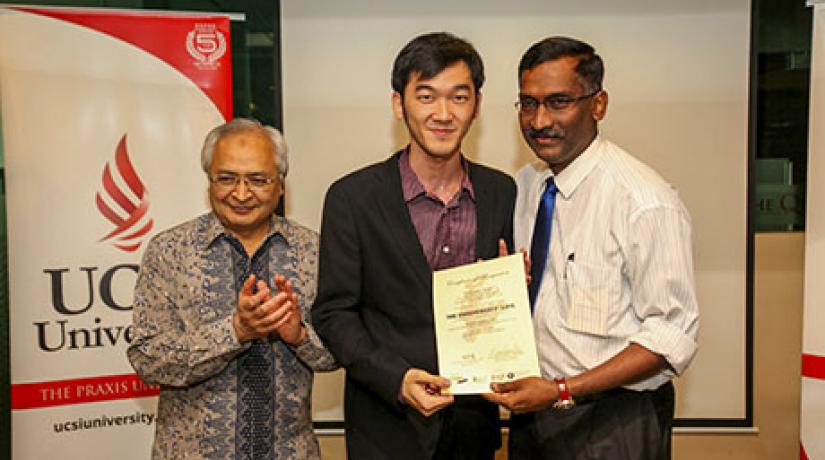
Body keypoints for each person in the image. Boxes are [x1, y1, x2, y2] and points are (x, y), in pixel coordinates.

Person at [484, 37, 700, 459]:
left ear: (598, 105)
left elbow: (671, 335)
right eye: (528, 104)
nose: (539, 120)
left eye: (558, 101)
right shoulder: (529, 186)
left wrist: (563, 391)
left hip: (614, 419)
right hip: (536, 412)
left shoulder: (643, 201)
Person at [311, 32, 515, 460]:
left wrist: (518, 289)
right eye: (426, 96)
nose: (443, 113)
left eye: (458, 97)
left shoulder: (502, 191)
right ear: (398, 104)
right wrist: (397, 378)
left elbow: (507, 308)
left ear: (476, 105)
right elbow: (333, 313)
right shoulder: (352, 198)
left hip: (473, 429)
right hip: (386, 430)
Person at [127, 118, 336, 460]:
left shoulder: (314, 251)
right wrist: (235, 331)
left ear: (280, 185)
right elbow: (148, 360)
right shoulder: (169, 251)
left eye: (257, 180)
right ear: (208, 182)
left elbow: (338, 354)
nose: (240, 194)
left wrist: (299, 335)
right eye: (226, 179)